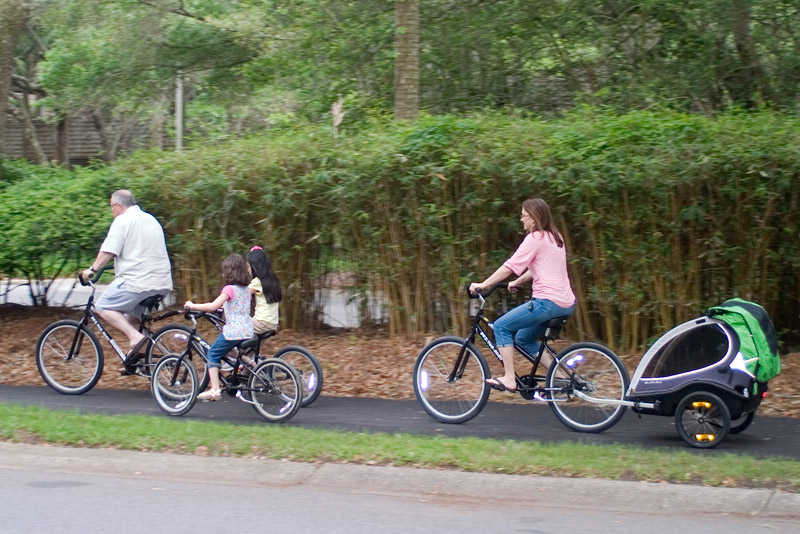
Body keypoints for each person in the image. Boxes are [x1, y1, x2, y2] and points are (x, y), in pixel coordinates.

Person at [469, 198, 576, 392]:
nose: (521, 219)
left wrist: (483, 285)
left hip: (547, 303)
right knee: (523, 339)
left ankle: (510, 378)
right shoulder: (555, 237)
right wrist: (517, 282)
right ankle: (558, 378)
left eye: (524, 215)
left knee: (501, 326)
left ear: (534, 218)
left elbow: (510, 266)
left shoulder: (535, 238)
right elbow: (541, 266)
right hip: (566, 303)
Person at [81, 190, 173, 367]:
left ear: (119, 206)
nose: (112, 211)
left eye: (111, 207)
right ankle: (136, 359)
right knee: (132, 318)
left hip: (137, 281)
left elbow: (108, 250)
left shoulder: (122, 220)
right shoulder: (150, 219)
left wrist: (92, 269)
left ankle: (136, 338)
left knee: (102, 306)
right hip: (162, 282)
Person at [184, 254, 254, 401]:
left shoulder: (229, 289)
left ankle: (215, 389)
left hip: (233, 331)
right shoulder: (246, 290)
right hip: (247, 329)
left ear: (229, 273)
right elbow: (236, 305)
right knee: (230, 350)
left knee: (213, 354)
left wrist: (192, 305)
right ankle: (252, 363)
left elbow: (213, 305)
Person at [247, 246, 281, 335]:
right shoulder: (272, 279)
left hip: (261, 323)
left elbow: (240, 295)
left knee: (232, 328)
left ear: (255, 266)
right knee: (249, 348)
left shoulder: (257, 282)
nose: (248, 269)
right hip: (272, 323)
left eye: (249, 266)